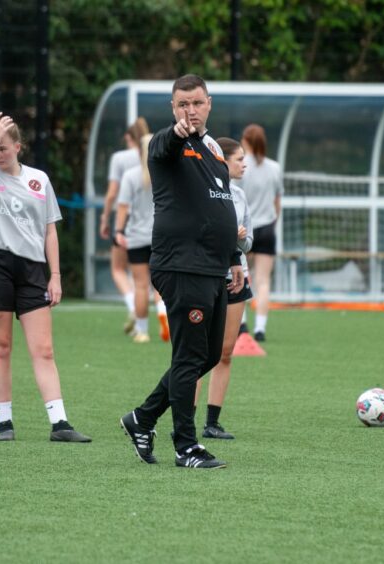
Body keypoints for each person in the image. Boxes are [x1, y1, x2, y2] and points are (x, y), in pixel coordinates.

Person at [120, 75, 243, 470]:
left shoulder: (213, 148)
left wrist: (235, 259)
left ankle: (142, 418)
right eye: (182, 105)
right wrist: (176, 132)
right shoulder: (162, 144)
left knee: (208, 354)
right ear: (173, 109)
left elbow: (222, 205)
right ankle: (186, 447)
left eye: (196, 103)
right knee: (190, 355)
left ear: (209, 103)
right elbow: (167, 143)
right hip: (181, 265)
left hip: (213, 267)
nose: (190, 111)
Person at [0, 112, 91, 443]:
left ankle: (60, 424)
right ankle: (5, 423)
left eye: (5, 148)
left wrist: (55, 276)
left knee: (44, 349)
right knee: (1, 346)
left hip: (33, 268)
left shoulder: (39, 179)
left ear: (19, 147)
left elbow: (50, 230)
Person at [195, 137, 253, 440]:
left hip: (237, 277)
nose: (244, 164)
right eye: (239, 159)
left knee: (224, 353)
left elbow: (249, 241)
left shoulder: (241, 196)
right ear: (222, 161)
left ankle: (212, 422)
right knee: (197, 352)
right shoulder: (202, 191)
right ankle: (185, 421)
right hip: (207, 276)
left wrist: (240, 238)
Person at [114, 134, 170, 343]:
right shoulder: (165, 173)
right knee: (161, 285)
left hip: (137, 237)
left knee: (140, 285)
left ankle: (142, 330)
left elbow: (123, 207)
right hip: (161, 237)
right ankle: (163, 312)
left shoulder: (131, 176)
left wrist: (118, 231)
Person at [99, 118, 150, 336]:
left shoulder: (121, 160)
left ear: (129, 138)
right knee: (159, 281)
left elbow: (113, 194)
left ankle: (135, 313)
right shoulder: (160, 162)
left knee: (121, 270)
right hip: (159, 231)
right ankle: (163, 313)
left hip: (131, 225)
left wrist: (106, 219)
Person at [239, 124, 284, 342]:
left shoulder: (241, 166)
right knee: (263, 281)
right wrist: (273, 222)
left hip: (245, 228)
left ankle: (242, 325)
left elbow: (235, 198)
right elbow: (278, 203)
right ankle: (260, 328)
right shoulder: (274, 167)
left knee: (241, 276)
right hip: (267, 227)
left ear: (245, 141)